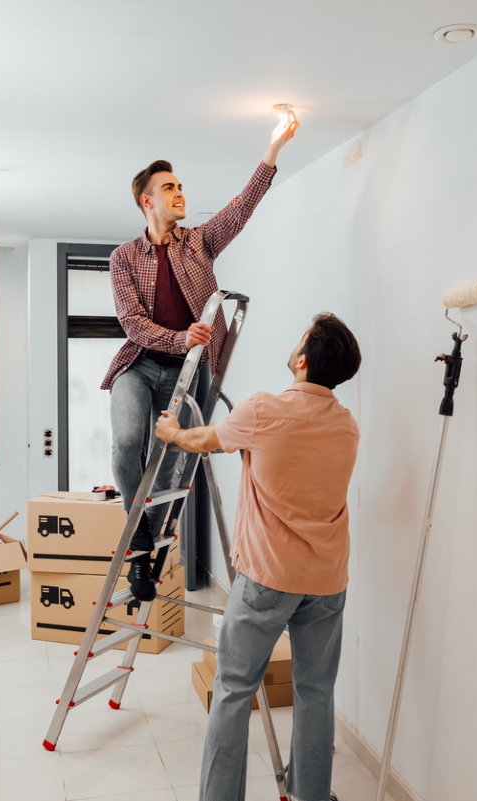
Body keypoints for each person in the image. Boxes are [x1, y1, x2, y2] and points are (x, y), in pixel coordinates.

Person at [155, 313, 362, 801]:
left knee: (233, 688)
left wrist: (171, 434)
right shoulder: (346, 426)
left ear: (304, 359)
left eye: (300, 340)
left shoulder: (264, 410)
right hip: (328, 581)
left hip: (269, 578)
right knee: (316, 693)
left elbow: (203, 441)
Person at [104, 111, 300, 601]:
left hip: (190, 374)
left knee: (172, 463)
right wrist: (179, 339)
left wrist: (272, 151)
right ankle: (140, 533)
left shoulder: (200, 244)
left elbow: (243, 206)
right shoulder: (123, 258)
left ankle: (143, 557)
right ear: (147, 201)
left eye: (181, 186)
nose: (179, 193)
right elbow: (132, 323)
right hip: (140, 364)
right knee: (129, 441)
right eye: (169, 187)